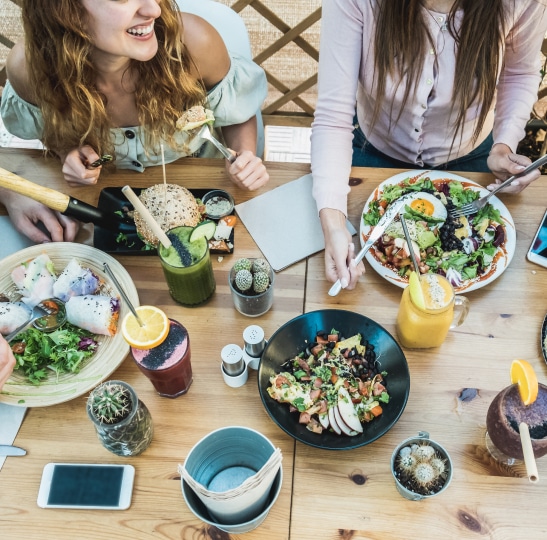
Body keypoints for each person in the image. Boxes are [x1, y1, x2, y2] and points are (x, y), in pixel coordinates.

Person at [311, 0, 547, 290]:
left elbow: (519, 73)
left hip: (472, 154)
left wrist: (504, 145)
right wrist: (333, 224)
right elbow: (334, 117)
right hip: (372, 150)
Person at [0, 0, 269, 244]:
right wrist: (67, 152)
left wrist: (244, 156)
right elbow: (50, 128)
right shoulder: (31, 68)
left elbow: (238, 111)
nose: (153, 9)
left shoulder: (195, 45)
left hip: (203, 190)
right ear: (65, 11)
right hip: (103, 204)